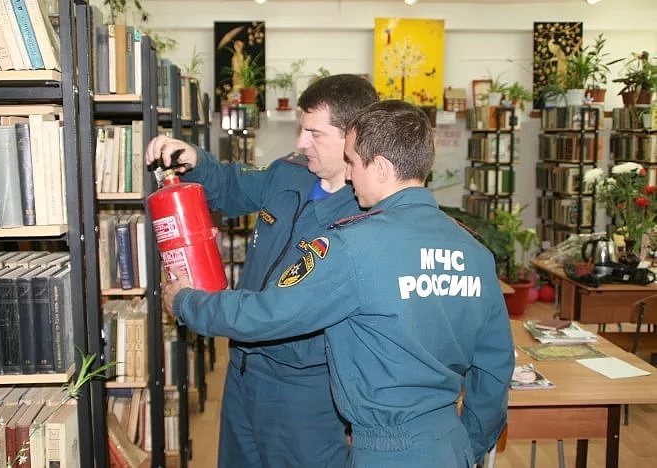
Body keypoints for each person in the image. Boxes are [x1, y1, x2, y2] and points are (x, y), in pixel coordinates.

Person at [161, 100, 515, 467]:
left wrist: (187, 302)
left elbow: (270, 312)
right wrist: (468, 444)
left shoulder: (355, 247)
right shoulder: (474, 252)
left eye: (354, 163)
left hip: (383, 448)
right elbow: (494, 368)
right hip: (447, 443)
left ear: (380, 168)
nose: (349, 176)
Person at [145, 74, 379, 468]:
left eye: (314, 134)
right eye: (301, 129)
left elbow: (281, 312)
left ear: (353, 137)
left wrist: (190, 304)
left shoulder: (365, 217)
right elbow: (232, 187)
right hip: (243, 370)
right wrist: (196, 160)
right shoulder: (288, 173)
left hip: (306, 392)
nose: (301, 142)